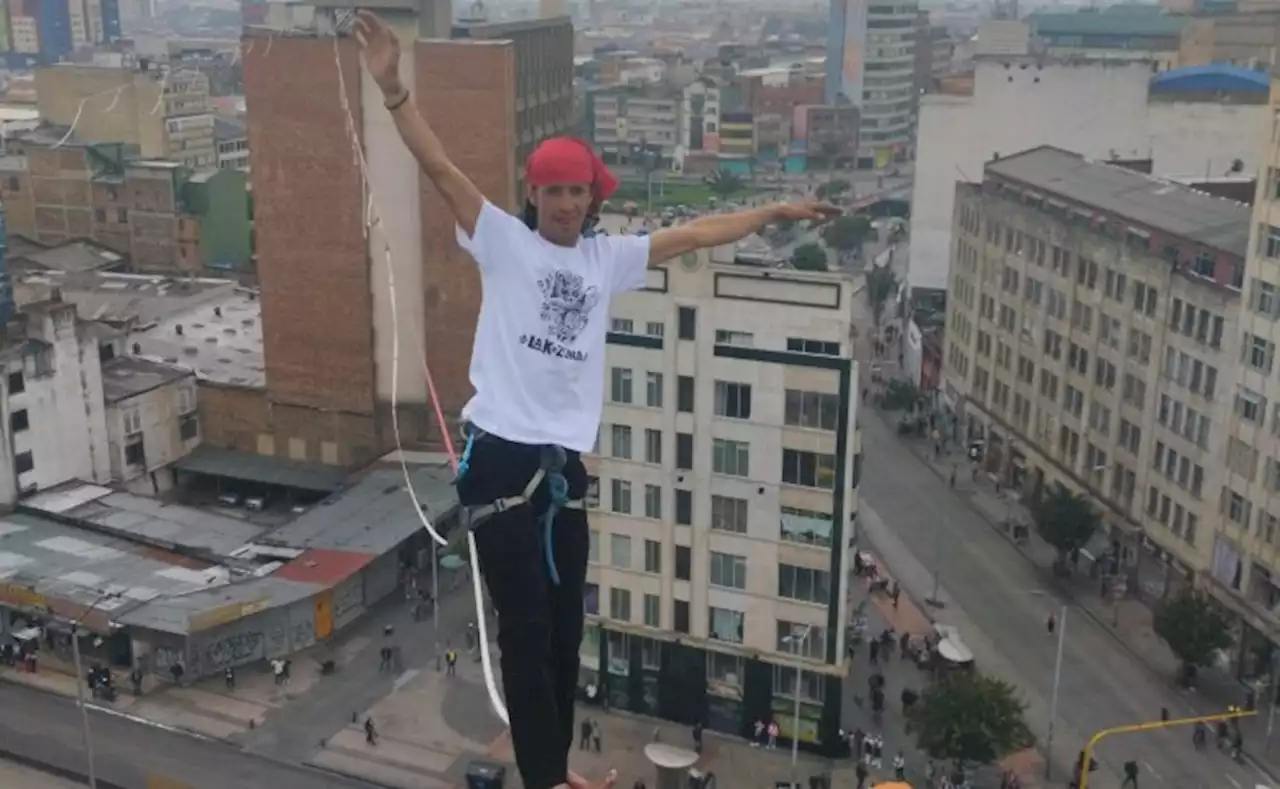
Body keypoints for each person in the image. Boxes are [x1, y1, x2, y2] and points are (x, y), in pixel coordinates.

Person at [352, 15, 840, 789]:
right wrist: (393, 88)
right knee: (526, 627)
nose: (567, 203)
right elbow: (439, 165)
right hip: (501, 460)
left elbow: (697, 233)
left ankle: (552, 770)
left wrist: (773, 214)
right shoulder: (504, 241)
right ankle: (547, 781)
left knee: (564, 635)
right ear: (534, 193)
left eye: (579, 190)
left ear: (591, 194)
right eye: (554, 191)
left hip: (565, 469)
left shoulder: (608, 261)